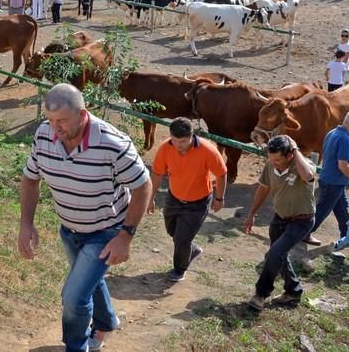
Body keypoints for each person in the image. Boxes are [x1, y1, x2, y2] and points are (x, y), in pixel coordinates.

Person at [18, 83, 152, 352]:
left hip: (106, 231)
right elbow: (30, 179)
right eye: (51, 120)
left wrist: (126, 236)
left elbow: (143, 185)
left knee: (74, 297)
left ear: (82, 114)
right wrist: (26, 224)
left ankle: (76, 346)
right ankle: (106, 321)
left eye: (63, 121)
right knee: (90, 280)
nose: (56, 128)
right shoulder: (44, 136)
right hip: (69, 229)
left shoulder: (112, 144)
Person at [148, 117, 227, 283]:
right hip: (174, 197)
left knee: (182, 239)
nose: (178, 145)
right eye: (175, 140)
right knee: (173, 232)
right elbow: (156, 173)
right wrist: (151, 197)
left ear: (192, 136)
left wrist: (219, 198)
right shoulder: (165, 148)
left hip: (198, 202)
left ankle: (179, 269)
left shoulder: (208, 150)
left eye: (183, 141)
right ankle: (192, 250)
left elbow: (221, 173)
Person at [244, 135, 316, 311]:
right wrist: (251, 213)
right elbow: (263, 188)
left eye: (277, 159)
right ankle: (293, 291)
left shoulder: (302, 165)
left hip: (301, 221)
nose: (273, 162)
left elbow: (308, 176)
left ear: (289, 155)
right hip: (279, 218)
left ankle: (260, 294)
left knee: (274, 254)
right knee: (279, 255)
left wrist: (295, 148)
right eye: (271, 159)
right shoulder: (271, 165)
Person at [303, 111, 349, 246]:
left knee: (342, 208)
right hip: (334, 182)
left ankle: (347, 235)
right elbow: (343, 165)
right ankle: (304, 233)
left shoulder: (333, 132)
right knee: (322, 210)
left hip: (332, 180)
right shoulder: (344, 139)